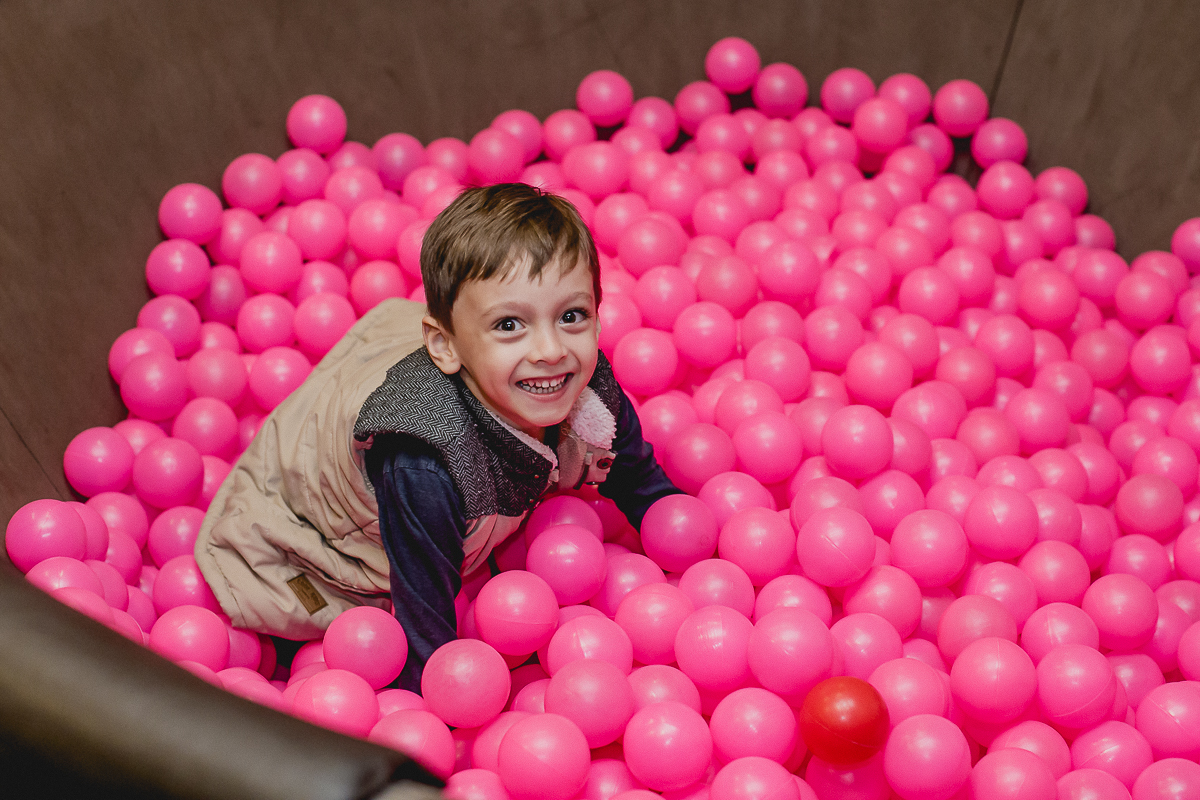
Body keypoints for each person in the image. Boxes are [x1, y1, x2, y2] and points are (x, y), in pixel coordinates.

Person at [195, 183, 680, 691]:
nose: (551, 349)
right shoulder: (426, 465)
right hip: (319, 520)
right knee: (325, 612)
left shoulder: (588, 392)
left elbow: (644, 487)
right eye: (510, 324)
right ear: (445, 347)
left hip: (450, 385)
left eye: (571, 316)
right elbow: (424, 634)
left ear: (598, 317)